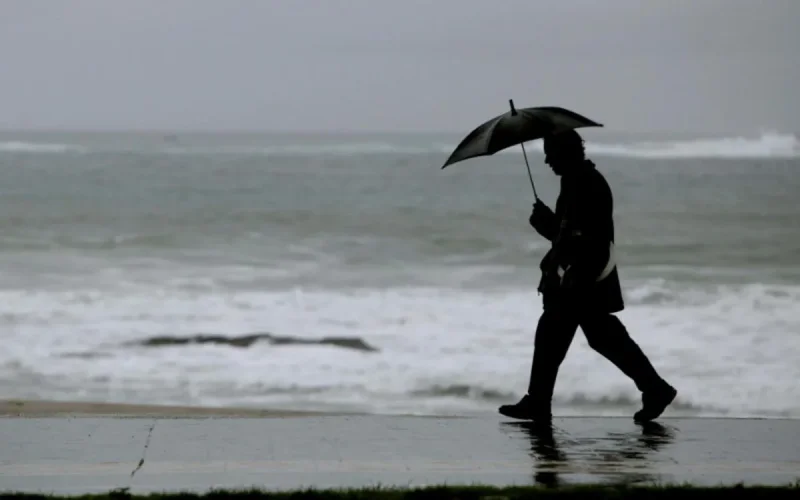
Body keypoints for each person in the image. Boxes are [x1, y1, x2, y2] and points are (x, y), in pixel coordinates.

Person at [499, 129, 677, 423]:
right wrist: (550, 225)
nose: (546, 161)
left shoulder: (587, 184)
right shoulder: (577, 181)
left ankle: (539, 402)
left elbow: (582, 238)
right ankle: (654, 388)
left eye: (551, 154)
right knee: (593, 336)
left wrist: (548, 226)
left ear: (565, 153)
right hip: (580, 278)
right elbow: (571, 233)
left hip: (582, 279)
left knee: (567, 335)